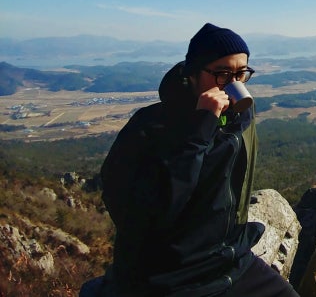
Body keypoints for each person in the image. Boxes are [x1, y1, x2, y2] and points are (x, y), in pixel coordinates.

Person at [93, 23, 300, 297]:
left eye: (241, 73)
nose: (234, 84)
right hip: (170, 276)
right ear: (192, 75)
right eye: (222, 73)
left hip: (230, 262)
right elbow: (145, 214)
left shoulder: (239, 119)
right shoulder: (149, 128)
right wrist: (200, 128)